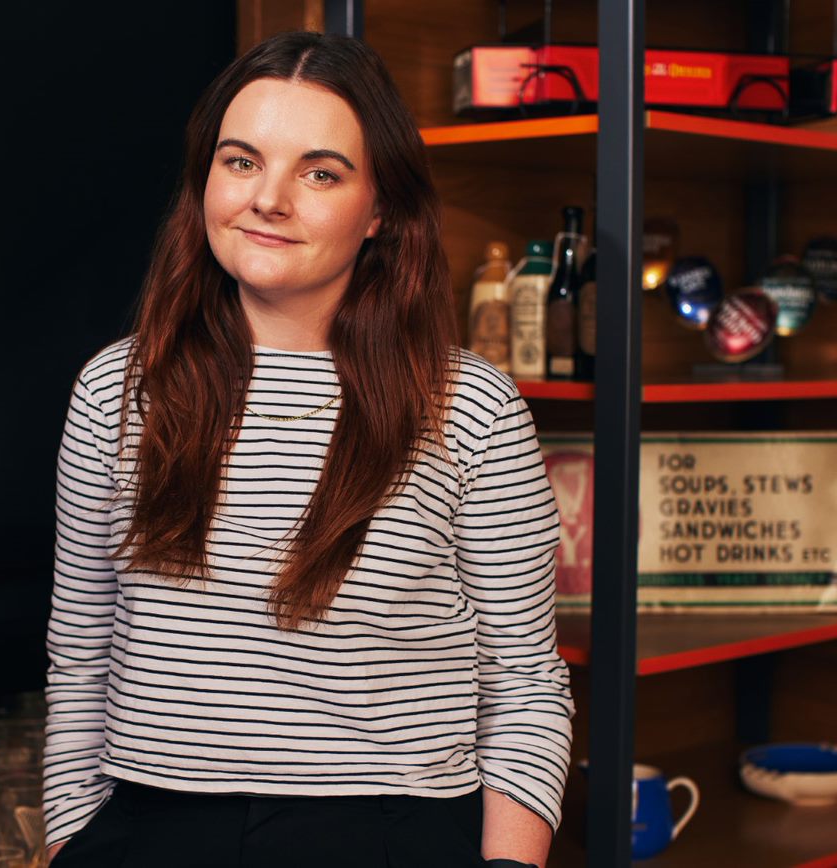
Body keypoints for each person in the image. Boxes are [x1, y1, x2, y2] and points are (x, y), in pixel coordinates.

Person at [42, 30, 574, 868]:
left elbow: (525, 683)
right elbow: (79, 655)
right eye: (241, 161)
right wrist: (73, 838)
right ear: (204, 180)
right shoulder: (116, 389)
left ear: (381, 210)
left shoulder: (468, 405)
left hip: (388, 836)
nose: (269, 199)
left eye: (319, 172)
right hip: (149, 831)